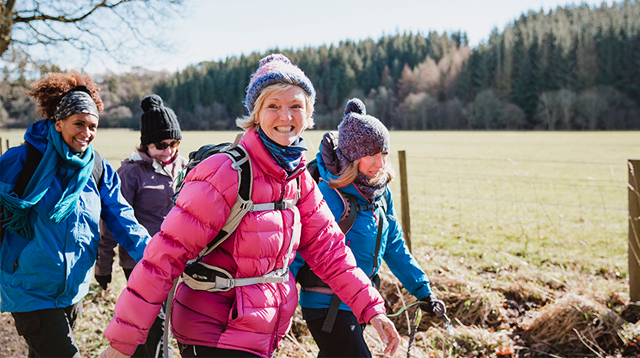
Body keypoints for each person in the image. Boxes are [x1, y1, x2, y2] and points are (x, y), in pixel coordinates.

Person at [98, 54, 400, 358]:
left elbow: (330, 251)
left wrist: (371, 309)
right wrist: (122, 343)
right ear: (256, 114)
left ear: (308, 114)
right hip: (213, 332)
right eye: (273, 106)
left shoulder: (298, 180)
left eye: (296, 105)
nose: (286, 116)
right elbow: (163, 258)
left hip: (260, 334)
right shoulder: (225, 173)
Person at [0, 71, 151, 358]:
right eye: (78, 123)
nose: (86, 132)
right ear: (58, 124)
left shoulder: (97, 169)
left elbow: (122, 218)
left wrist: (155, 255)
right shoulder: (20, 161)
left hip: (73, 291)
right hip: (30, 290)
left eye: (92, 126)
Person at [290, 98, 447, 357]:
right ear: (352, 157)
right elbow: (298, 251)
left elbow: (395, 247)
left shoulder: (380, 195)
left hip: (360, 305)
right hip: (326, 306)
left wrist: (423, 290)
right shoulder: (329, 196)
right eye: (371, 154)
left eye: (383, 153)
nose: (380, 163)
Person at [94, 94, 187, 358]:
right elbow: (112, 221)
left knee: (162, 324)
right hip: (141, 261)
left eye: (173, 143)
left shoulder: (184, 167)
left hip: (177, 261)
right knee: (155, 327)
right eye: (160, 144)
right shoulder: (131, 173)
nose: (168, 150)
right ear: (146, 144)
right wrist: (103, 266)